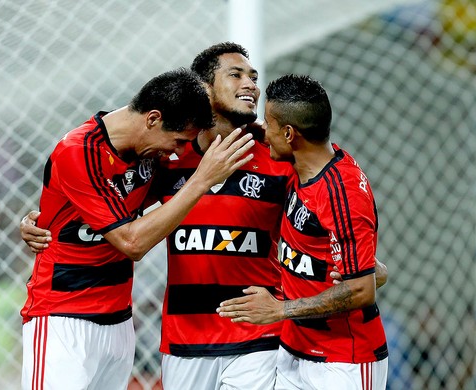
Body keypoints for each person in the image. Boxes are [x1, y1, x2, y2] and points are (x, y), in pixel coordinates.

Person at [21, 43, 389, 389]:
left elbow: (336, 226)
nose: (250, 85)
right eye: (236, 75)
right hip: (181, 340)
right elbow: (118, 211)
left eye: (254, 77)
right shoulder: (166, 156)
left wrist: (366, 272)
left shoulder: (280, 158)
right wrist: (48, 219)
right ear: (203, 88)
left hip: (258, 338)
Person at [19, 67, 256, 390]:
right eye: (177, 141)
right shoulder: (79, 151)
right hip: (63, 318)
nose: (178, 153)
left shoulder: (152, 150)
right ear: (153, 119)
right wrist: (201, 180)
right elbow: (132, 242)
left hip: (118, 321)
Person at [217, 74, 389, 389]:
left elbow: (363, 290)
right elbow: (372, 273)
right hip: (294, 351)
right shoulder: (302, 167)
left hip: (344, 361)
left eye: (267, 125)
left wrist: (279, 309)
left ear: (289, 133)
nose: (263, 134)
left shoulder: (342, 193)